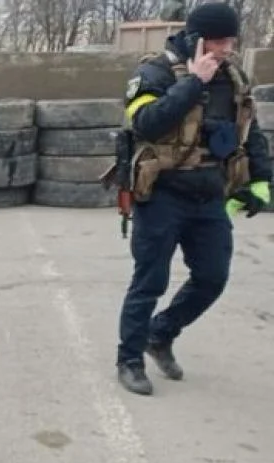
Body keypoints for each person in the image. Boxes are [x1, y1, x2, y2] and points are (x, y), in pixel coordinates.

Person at [115, 1, 270, 395]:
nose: (229, 48)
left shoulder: (233, 77)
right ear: (198, 40)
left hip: (209, 196)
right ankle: (129, 360)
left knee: (212, 278)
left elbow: (250, 131)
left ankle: (160, 334)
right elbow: (146, 124)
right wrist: (193, 82)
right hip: (163, 193)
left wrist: (261, 181)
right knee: (149, 281)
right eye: (221, 41)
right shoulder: (155, 72)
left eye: (232, 40)